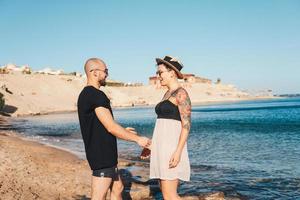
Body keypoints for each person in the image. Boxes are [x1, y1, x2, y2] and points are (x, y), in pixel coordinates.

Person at [77, 58, 151, 200]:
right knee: (99, 196)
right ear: (94, 73)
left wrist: (124, 130)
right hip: (101, 155)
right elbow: (110, 127)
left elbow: (104, 124)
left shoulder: (86, 94)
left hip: (104, 152)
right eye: (106, 71)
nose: (107, 74)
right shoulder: (96, 95)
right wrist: (138, 139)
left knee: (118, 188)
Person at [149, 56, 191, 200]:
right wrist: (151, 145)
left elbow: (186, 126)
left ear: (172, 72)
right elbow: (162, 124)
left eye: (160, 72)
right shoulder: (167, 93)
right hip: (161, 147)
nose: (158, 76)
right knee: (165, 191)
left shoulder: (181, 93)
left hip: (171, 149)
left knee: (169, 195)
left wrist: (178, 152)